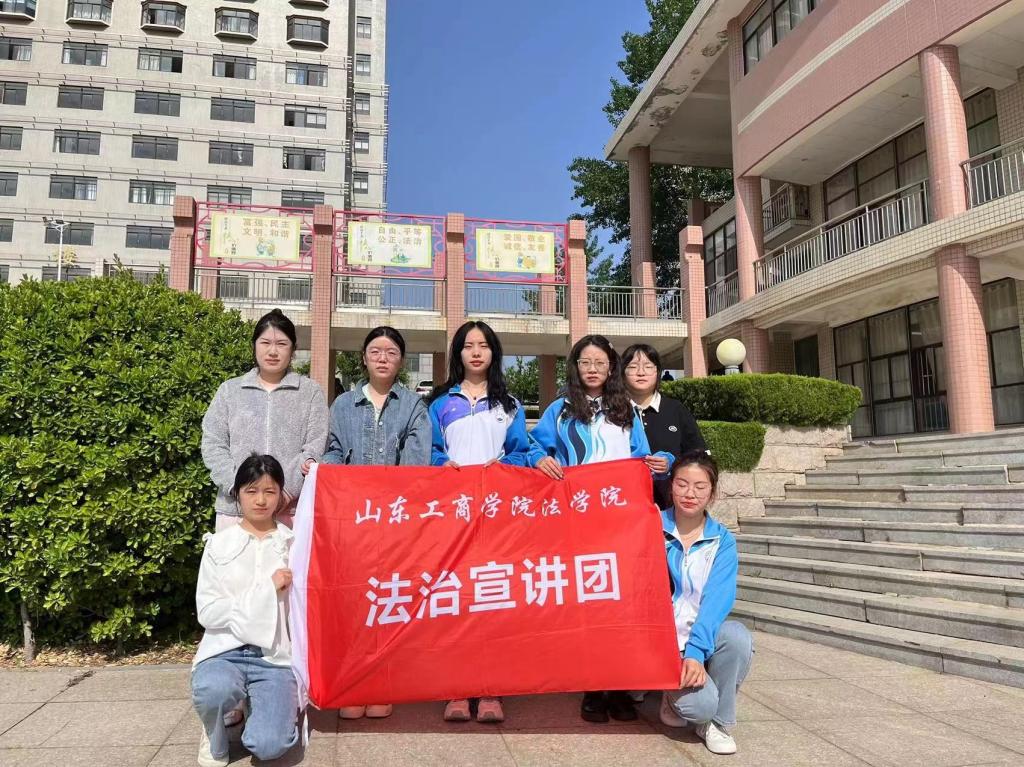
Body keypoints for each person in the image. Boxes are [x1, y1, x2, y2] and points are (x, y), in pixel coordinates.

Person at [527, 334, 674, 724]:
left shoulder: (625, 410)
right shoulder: (560, 410)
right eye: (585, 362)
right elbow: (532, 447)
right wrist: (539, 459)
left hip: (621, 522)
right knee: (589, 601)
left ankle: (621, 685)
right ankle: (593, 686)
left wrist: (662, 461)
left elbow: (642, 458)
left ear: (611, 368)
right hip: (578, 522)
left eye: (600, 363)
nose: (592, 369)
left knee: (623, 602)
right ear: (575, 367)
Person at [322, 325, 430, 720]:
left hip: (394, 522)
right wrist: (326, 472)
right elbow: (333, 451)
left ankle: (382, 683)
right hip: (351, 521)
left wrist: (389, 503)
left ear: (401, 360)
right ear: (364, 358)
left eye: (391, 352)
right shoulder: (343, 405)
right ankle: (353, 685)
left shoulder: (414, 406)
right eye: (375, 351)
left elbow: (416, 464)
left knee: (387, 602)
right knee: (353, 603)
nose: (383, 358)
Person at [427, 320, 530, 724]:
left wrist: (501, 468)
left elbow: (521, 453)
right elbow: (428, 451)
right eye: (468, 345)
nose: (475, 352)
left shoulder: (510, 405)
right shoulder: (439, 403)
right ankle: (456, 688)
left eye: (483, 345)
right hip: (452, 518)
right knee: (455, 600)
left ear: (493, 353)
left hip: (496, 518)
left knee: (492, 600)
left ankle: (490, 690)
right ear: (458, 353)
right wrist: (442, 464)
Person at [191, 454, 299, 767]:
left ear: (280, 495)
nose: (261, 500)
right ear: (237, 493)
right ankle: (213, 733)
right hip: (224, 651)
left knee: (269, 745)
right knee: (213, 689)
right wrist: (267, 590)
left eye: (270, 491)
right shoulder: (219, 544)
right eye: (251, 491)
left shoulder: (293, 544)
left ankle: (259, 708)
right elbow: (208, 612)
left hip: (274, 657)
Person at [659, 451, 752, 756]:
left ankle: (717, 724)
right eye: (682, 484)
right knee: (700, 706)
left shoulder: (721, 540)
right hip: (661, 641)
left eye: (700, 487)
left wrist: (696, 652)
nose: (690, 493)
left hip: (699, 637)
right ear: (671, 486)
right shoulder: (651, 527)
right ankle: (670, 694)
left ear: (712, 493)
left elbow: (717, 600)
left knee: (737, 636)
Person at [202, 309, 328, 533]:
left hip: (291, 511)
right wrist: (240, 488)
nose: (273, 351)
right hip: (235, 510)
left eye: (281, 344)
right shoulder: (230, 390)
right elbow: (214, 443)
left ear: (293, 350)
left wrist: (286, 492)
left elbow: (316, 445)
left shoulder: (310, 392)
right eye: (265, 343)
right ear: (254, 346)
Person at [621, 343, 706, 509]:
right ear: (622, 373)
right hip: (625, 504)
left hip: (670, 507)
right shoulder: (613, 413)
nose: (641, 372)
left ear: (657, 372)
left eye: (648, 366)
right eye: (633, 367)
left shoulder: (676, 409)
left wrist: (671, 464)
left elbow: (698, 456)